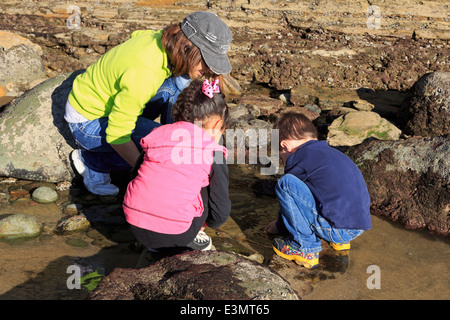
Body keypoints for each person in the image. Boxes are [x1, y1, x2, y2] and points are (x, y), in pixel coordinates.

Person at [66, 11, 233, 196]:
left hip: (107, 104)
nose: (209, 68)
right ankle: (91, 162)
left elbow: (136, 35)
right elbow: (116, 134)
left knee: (181, 83)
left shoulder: (160, 39)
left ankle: (179, 146)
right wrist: (150, 171)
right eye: (207, 60)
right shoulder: (144, 73)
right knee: (160, 149)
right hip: (88, 122)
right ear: (188, 46)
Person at [123, 79, 231, 254]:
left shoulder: (157, 135)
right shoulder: (213, 152)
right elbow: (220, 213)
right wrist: (203, 225)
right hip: (178, 234)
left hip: (135, 225)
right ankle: (191, 239)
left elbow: (135, 174)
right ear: (218, 125)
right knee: (204, 182)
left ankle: (155, 243)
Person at [265, 112, 371, 268]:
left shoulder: (298, 159)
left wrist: (280, 226)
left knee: (286, 183)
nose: (284, 162)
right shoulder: (331, 153)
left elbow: (291, 197)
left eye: (282, 158)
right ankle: (340, 243)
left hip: (338, 229)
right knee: (321, 189)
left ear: (284, 146)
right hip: (357, 226)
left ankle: (304, 248)